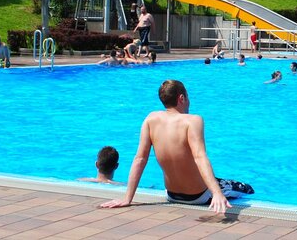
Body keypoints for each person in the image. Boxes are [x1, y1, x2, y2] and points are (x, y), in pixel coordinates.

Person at [99, 80, 253, 214]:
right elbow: (200, 157)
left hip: (171, 195)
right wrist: (217, 193)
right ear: (181, 98)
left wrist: (127, 198)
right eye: (188, 98)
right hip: (198, 196)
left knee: (217, 179)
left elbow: (140, 159)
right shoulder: (192, 121)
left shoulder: (151, 119)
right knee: (246, 188)